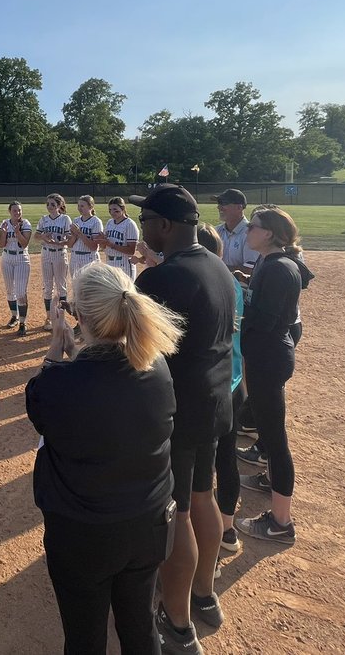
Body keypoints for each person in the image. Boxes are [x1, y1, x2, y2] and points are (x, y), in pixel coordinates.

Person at [26, 262, 181, 655]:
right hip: (148, 522)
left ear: (79, 317)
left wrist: (55, 356)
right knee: (139, 623)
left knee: (84, 636)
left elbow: (43, 406)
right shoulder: (158, 365)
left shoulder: (58, 383)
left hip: (84, 533)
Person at [131, 184, 236, 653]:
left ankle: (176, 624)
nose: (143, 228)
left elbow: (138, 355)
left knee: (178, 516)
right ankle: (204, 594)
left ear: (166, 226)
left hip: (178, 410)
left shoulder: (161, 279)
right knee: (202, 496)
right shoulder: (216, 264)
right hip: (214, 401)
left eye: (147, 219)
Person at [236, 208, 313, 547]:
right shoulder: (269, 262)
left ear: (269, 234)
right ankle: (270, 482)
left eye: (253, 227)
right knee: (269, 433)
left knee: (276, 440)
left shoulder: (280, 268)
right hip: (264, 354)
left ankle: (281, 522)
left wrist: (238, 312)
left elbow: (265, 322)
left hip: (269, 357)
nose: (248, 231)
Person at [195, 224, 247, 557]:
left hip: (210, 389)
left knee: (200, 471)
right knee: (227, 460)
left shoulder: (201, 283)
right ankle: (227, 529)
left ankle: (203, 539)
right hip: (235, 380)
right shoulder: (231, 282)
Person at [36, 194, 72, 331]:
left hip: (59, 253)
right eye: (48, 204)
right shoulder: (44, 219)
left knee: (61, 286)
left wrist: (60, 242)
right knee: (47, 286)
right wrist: (43, 236)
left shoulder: (65, 219)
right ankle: (49, 317)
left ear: (59, 205)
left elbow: (69, 239)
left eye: (52, 204)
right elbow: (36, 236)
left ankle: (61, 318)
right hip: (46, 253)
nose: (49, 207)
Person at [0, 201, 33, 336]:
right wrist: (4, 233)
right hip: (6, 258)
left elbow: (24, 244)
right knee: (9, 290)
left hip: (21, 259)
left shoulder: (26, 224)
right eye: (14, 211)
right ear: (9, 212)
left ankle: (23, 323)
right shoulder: (4, 223)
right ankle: (14, 316)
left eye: (19, 210)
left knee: (20, 292)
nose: (17, 213)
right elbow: (1, 244)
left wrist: (17, 232)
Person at [212, 189, 257, 277]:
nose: (219, 207)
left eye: (224, 203)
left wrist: (215, 267)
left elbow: (249, 270)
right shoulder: (216, 231)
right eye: (219, 203)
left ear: (239, 207)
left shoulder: (251, 233)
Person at [100, 197, 139, 279]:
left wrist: (111, 245)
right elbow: (104, 246)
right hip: (110, 262)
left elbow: (131, 251)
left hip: (124, 263)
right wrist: (102, 241)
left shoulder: (130, 224)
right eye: (110, 210)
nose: (112, 212)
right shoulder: (110, 222)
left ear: (123, 209)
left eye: (115, 210)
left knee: (125, 291)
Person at [67, 195, 104, 279]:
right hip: (75, 257)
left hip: (89, 258)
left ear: (91, 206)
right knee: (76, 287)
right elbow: (70, 245)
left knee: (89, 287)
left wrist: (79, 233)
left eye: (82, 206)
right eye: (78, 206)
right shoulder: (76, 220)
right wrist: (74, 235)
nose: (79, 208)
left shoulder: (96, 222)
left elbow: (93, 247)